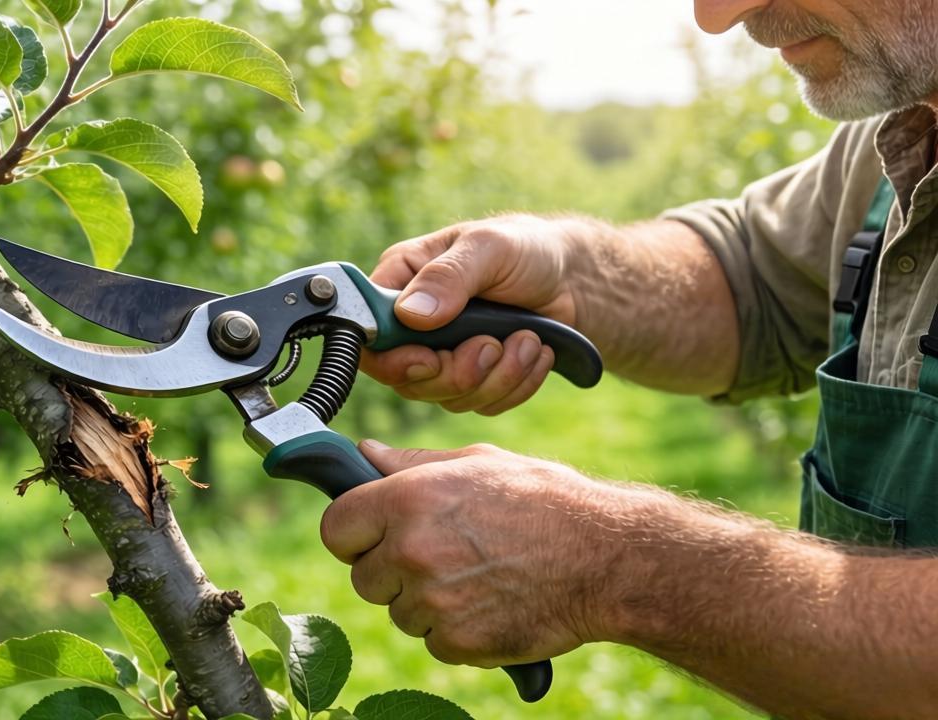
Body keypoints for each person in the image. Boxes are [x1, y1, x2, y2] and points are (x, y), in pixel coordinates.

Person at [319, 2, 938, 718]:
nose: (718, 16)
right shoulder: (905, 133)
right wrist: (569, 274)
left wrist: (613, 565)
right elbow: (755, 278)